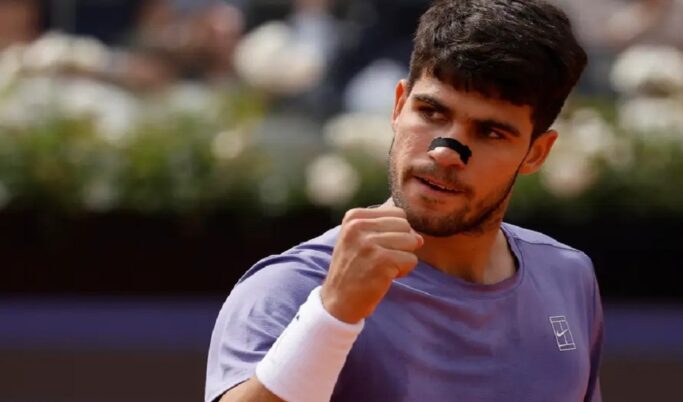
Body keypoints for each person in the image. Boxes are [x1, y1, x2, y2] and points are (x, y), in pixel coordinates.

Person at [205, 1, 603, 401]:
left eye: (491, 132)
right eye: (431, 111)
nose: (447, 152)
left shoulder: (568, 277)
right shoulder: (290, 287)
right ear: (399, 105)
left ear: (536, 152)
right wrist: (333, 315)